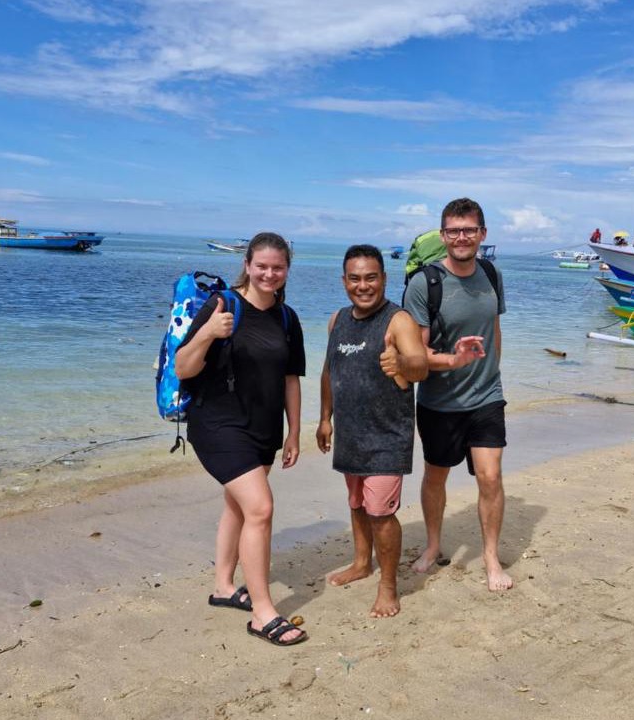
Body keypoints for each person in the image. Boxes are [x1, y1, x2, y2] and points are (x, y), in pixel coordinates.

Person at [175, 232, 308, 647]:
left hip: (262, 426)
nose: (269, 273)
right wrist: (208, 332)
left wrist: (294, 432)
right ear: (247, 264)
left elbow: (290, 379)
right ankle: (263, 613)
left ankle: (223, 586)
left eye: (278, 267)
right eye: (262, 265)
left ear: (287, 269)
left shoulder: (287, 318)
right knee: (261, 508)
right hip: (216, 424)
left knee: (239, 506)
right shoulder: (222, 305)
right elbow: (182, 367)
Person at [403, 197, 513, 592]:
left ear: (482, 234)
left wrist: (491, 372)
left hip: (487, 397)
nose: (461, 237)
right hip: (439, 402)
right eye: (453, 230)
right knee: (436, 477)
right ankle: (433, 546)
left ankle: (490, 556)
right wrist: (455, 359)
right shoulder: (424, 284)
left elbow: (494, 329)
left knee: (491, 476)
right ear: (443, 234)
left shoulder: (491, 274)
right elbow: (416, 357)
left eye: (469, 230)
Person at [317, 245, 428, 617]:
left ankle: (388, 585)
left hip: (386, 435)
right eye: (355, 278)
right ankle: (362, 562)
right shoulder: (337, 320)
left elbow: (420, 367)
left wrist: (401, 363)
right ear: (344, 281)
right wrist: (324, 418)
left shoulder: (398, 321)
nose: (363, 285)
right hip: (350, 432)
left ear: (384, 278)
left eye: (370, 277)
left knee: (380, 511)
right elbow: (329, 372)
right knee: (357, 504)